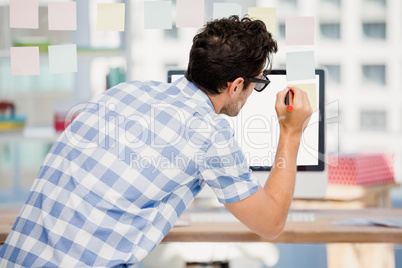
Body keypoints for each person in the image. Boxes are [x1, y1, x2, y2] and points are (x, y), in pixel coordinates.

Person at [0, 15, 312, 267]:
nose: (252, 93)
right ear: (236, 85)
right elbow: (270, 223)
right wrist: (291, 131)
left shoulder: (124, 92)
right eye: (257, 85)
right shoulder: (208, 133)